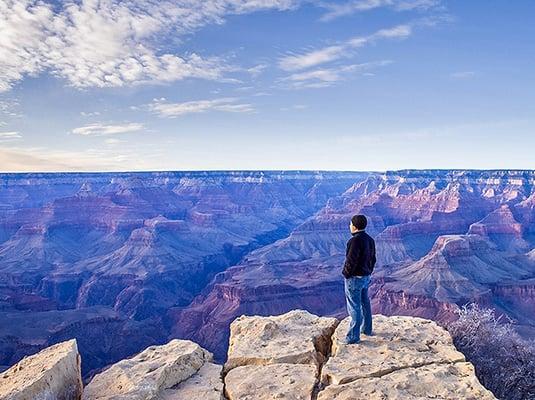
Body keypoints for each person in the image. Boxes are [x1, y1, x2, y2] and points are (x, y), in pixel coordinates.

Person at [342, 214, 376, 344]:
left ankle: (353, 337)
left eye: (350, 224)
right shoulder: (370, 239)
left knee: (354, 306)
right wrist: (368, 271)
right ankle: (367, 329)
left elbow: (351, 260)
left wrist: (346, 274)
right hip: (366, 276)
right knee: (365, 302)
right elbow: (373, 259)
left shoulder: (354, 241)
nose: (349, 226)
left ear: (354, 227)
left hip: (354, 278)